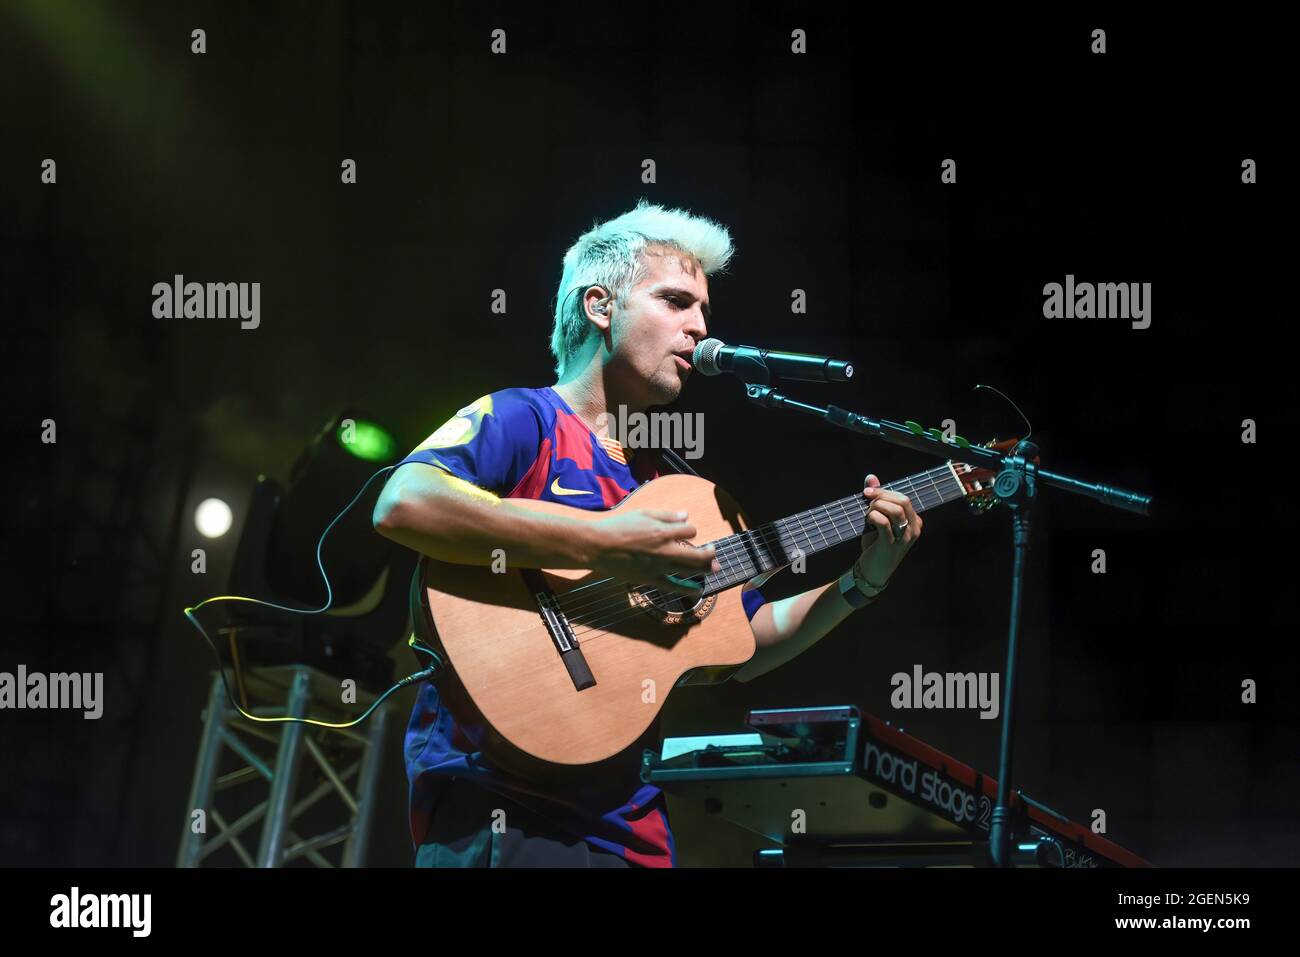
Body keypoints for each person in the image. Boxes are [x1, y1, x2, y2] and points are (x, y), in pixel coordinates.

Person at [373, 199, 922, 867]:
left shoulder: (679, 485)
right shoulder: (525, 419)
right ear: (601, 306)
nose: (699, 328)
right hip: (501, 807)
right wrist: (609, 543)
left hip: (632, 829)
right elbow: (405, 501)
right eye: (675, 301)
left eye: (705, 312)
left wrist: (860, 582)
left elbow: (742, 644)